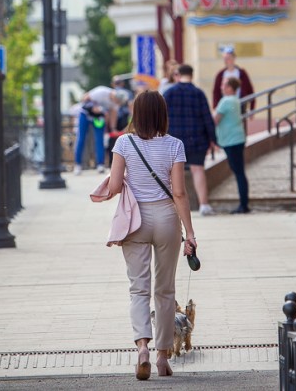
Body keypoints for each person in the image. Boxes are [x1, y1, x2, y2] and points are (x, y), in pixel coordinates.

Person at [106, 90, 197, 380]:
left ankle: (142, 348)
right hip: (167, 219)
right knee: (165, 290)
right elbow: (179, 192)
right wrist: (190, 233)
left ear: (136, 114)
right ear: (162, 114)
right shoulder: (175, 145)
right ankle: (162, 356)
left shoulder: (124, 142)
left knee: (138, 289)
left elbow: (115, 186)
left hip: (135, 220)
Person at [163, 64, 217, 216]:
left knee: (173, 173)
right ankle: (204, 205)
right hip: (197, 139)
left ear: (178, 75)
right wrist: (213, 139)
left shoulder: (169, 93)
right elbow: (207, 118)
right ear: (192, 75)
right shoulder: (198, 93)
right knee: (198, 170)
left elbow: (161, 116)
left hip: (173, 140)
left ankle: (172, 207)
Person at [214, 77, 250, 214]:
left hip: (231, 140)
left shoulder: (226, 101)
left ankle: (243, 205)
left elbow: (215, 119)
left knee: (239, 173)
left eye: (224, 85)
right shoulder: (235, 99)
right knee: (240, 172)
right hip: (238, 139)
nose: (221, 87)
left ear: (229, 87)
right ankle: (244, 203)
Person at [74, 86, 129, 175]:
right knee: (81, 138)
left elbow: (113, 114)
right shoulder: (101, 91)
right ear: (115, 96)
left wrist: (113, 128)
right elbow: (85, 98)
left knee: (99, 140)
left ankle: (100, 164)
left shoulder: (116, 103)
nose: (116, 103)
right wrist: (93, 107)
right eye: (117, 101)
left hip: (98, 117)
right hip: (85, 114)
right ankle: (78, 164)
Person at [212, 46, 255, 111]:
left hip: (240, 105)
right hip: (225, 106)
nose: (226, 61)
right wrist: (215, 107)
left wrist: (252, 108)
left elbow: (250, 90)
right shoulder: (220, 75)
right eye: (225, 58)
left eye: (229, 58)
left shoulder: (241, 73)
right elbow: (216, 92)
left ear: (234, 58)